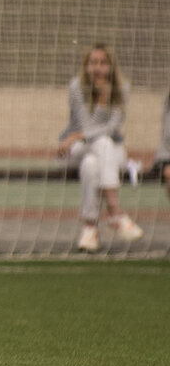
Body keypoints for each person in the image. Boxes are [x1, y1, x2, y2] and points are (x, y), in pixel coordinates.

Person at [55, 43, 143, 252]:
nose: (98, 68)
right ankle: (115, 213)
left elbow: (112, 128)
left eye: (103, 63)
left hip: (111, 150)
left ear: (111, 66)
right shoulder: (77, 87)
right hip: (75, 148)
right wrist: (76, 135)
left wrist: (103, 101)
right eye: (93, 63)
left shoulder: (122, 88)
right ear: (86, 66)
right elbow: (86, 127)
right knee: (98, 146)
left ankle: (89, 228)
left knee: (92, 164)